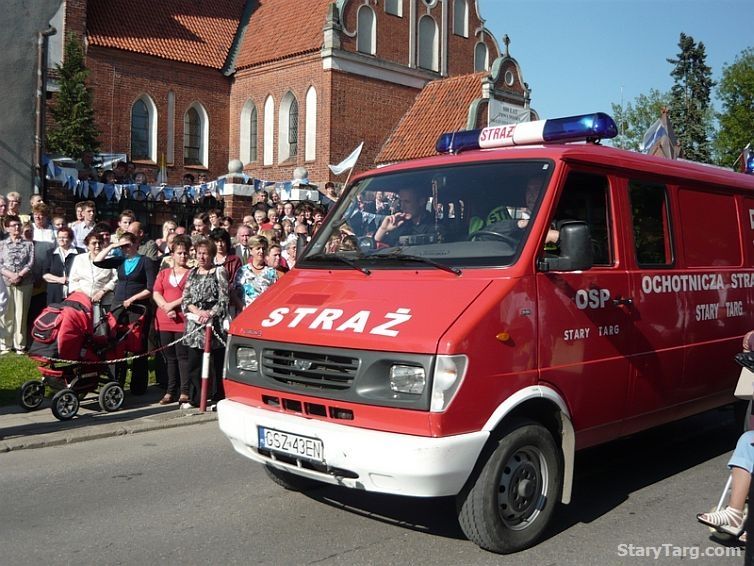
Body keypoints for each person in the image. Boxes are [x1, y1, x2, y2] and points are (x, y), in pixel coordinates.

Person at [94, 231, 156, 394]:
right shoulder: (120, 260)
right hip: (119, 306)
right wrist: (112, 246)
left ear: (136, 244)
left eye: (127, 245)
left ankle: (138, 386)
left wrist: (134, 299)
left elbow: (150, 288)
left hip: (138, 308)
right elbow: (97, 261)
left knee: (138, 345)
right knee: (115, 343)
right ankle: (116, 382)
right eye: (123, 246)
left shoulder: (146, 261)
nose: (125, 249)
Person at [181, 238, 229, 407]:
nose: (202, 257)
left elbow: (224, 299)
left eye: (205, 254)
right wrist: (197, 312)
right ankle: (196, 398)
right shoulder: (192, 273)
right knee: (194, 363)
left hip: (213, 323)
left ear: (211, 255)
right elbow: (186, 299)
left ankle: (217, 396)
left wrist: (210, 314)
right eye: (199, 253)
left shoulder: (219, 271)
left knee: (215, 363)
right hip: (195, 323)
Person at [152, 235, 191, 405]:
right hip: (164, 320)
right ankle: (170, 391)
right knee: (169, 357)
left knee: (182, 356)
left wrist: (172, 306)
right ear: (172, 255)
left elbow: (189, 294)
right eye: (179, 253)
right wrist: (165, 307)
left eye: (185, 253)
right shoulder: (164, 273)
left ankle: (184, 390)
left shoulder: (191, 273)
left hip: (182, 320)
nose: (183, 256)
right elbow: (156, 292)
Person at [0, 215, 34, 354]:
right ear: (7, 228)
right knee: (6, 314)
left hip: (24, 283)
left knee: (21, 314)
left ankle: (19, 344)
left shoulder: (28, 244)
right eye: (13, 225)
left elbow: (30, 262)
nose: (17, 228)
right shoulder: (1, 244)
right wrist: (10, 275)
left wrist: (20, 275)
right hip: (5, 282)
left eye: (18, 225)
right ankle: (5, 344)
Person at [68, 232, 117, 322]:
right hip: (82, 302)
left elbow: (115, 279)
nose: (97, 246)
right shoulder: (79, 259)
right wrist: (83, 295)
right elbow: (73, 280)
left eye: (100, 243)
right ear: (87, 246)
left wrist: (102, 292)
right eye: (94, 243)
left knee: (102, 329)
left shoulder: (111, 259)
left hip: (104, 301)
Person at [233, 236, 278, 312]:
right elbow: (234, 293)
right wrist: (242, 307)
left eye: (263, 249)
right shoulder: (242, 271)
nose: (261, 251)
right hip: (246, 313)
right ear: (251, 251)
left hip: (264, 313)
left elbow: (275, 295)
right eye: (258, 248)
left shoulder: (271, 272)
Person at [42, 227, 79, 304]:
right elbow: (45, 274)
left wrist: (71, 279)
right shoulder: (50, 253)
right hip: (54, 293)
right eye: (59, 237)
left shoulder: (79, 253)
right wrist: (59, 279)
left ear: (71, 239)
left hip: (74, 292)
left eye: (64, 237)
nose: (61, 239)